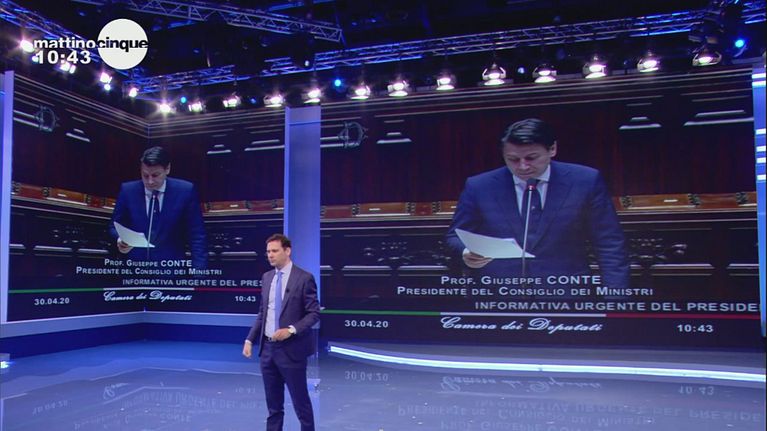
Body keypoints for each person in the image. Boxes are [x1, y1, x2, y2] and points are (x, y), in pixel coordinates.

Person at [446, 118, 629, 290]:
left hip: (566, 292)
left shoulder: (585, 181)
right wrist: (466, 252)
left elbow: (609, 243)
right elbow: (455, 236)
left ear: (552, 149)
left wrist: (616, 298)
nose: (522, 167)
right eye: (513, 159)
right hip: (499, 292)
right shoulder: (479, 186)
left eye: (531, 158)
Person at [243, 233, 320, 431]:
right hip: (268, 351)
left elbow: (313, 314)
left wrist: (291, 330)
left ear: (287, 251)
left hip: (291, 350)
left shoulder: (304, 278)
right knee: (273, 407)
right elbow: (263, 313)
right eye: (268, 251)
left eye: (275, 251)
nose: (270, 255)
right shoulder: (267, 277)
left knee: (301, 403)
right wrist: (250, 339)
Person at [109, 146, 208, 269]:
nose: (150, 181)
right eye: (145, 175)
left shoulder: (185, 191)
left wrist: (199, 273)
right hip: (135, 269)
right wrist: (120, 240)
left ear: (167, 169)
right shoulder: (128, 190)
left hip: (171, 270)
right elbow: (114, 226)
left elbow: (197, 236)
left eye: (155, 175)